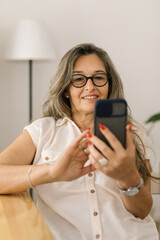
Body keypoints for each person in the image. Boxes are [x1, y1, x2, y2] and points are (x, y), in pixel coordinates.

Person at [0, 43, 159, 240]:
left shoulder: (132, 134)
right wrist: (52, 171)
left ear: (109, 85)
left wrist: (127, 177)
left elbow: (142, 211)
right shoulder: (43, 131)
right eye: (78, 79)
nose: (90, 86)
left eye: (99, 77)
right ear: (65, 89)